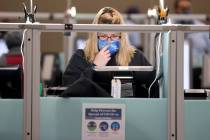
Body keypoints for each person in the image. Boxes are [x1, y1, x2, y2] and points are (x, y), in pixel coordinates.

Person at [62, 7, 158, 97]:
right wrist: (94, 67)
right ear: (95, 36)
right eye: (103, 36)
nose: (108, 41)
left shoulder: (133, 57)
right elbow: (70, 90)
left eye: (114, 36)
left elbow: (154, 85)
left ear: (121, 36)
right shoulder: (81, 57)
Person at [174, 0, 210, 88]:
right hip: (176, 71)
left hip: (198, 72)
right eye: (183, 8)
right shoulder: (169, 27)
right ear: (176, 10)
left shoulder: (202, 28)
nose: (186, 11)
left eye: (188, 8)